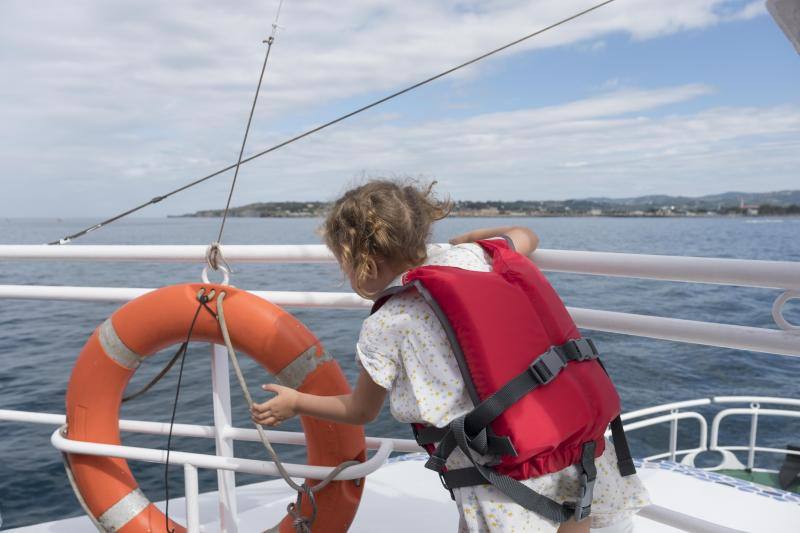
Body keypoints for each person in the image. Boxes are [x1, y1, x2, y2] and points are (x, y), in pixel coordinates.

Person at [251, 179, 650, 532]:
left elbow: (360, 411)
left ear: (363, 261)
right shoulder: (477, 257)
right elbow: (525, 234)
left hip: (505, 480)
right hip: (578, 450)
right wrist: (473, 237)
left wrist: (295, 402)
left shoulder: (386, 323)